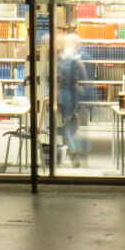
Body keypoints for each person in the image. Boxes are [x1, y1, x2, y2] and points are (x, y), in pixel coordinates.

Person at [51, 34, 92, 170]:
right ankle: (69, 152)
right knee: (65, 125)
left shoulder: (60, 58)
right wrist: (81, 88)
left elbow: (55, 78)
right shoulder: (76, 59)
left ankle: (68, 152)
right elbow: (85, 77)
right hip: (72, 97)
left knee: (61, 126)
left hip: (62, 97)